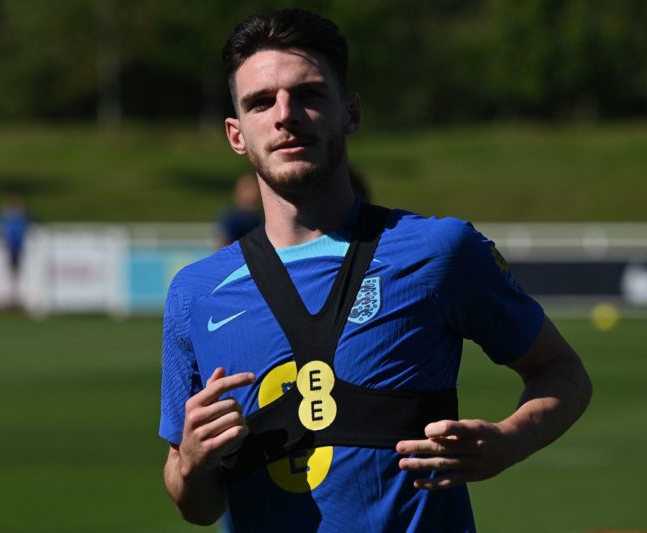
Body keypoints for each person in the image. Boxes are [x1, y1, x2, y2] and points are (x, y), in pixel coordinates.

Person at [160, 8, 592, 531]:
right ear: (236, 134)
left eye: (310, 94)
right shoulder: (196, 293)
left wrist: (509, 441)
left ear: (352, 113)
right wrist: (191, 464)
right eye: (260, 102)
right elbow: (198, 507)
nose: (285, 114)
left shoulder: (439, 251)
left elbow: (563, 373)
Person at [217, 173, 263, 247]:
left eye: (254, 188)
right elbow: (225, 239)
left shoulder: (259, 216)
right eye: (248, 189)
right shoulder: (232, 216)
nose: (252, 193)